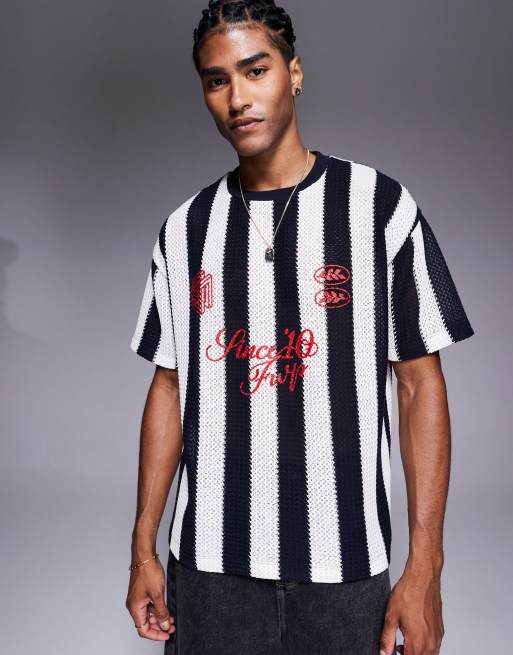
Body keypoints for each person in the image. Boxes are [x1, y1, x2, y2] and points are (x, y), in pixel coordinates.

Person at [125, 1, 475, 653]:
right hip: (209, 572)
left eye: (255, 70)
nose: (237, 97)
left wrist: (426, 565)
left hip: (345, 571)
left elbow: (419, 386)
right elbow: (169, 387)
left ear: (294, 74)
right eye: (216, 80)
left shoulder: (378, 207)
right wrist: (142, 547)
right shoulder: (184, 230)